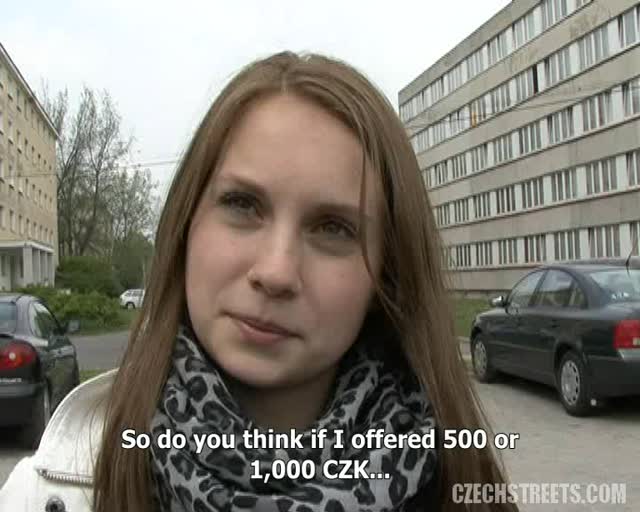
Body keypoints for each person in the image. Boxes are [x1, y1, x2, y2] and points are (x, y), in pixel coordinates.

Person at [0, 51, 519, 512]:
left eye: (333, 228)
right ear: (186, 226)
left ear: (386, 274)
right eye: (242, 205)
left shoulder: (459, 485)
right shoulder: (53, 493)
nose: (275, 272)